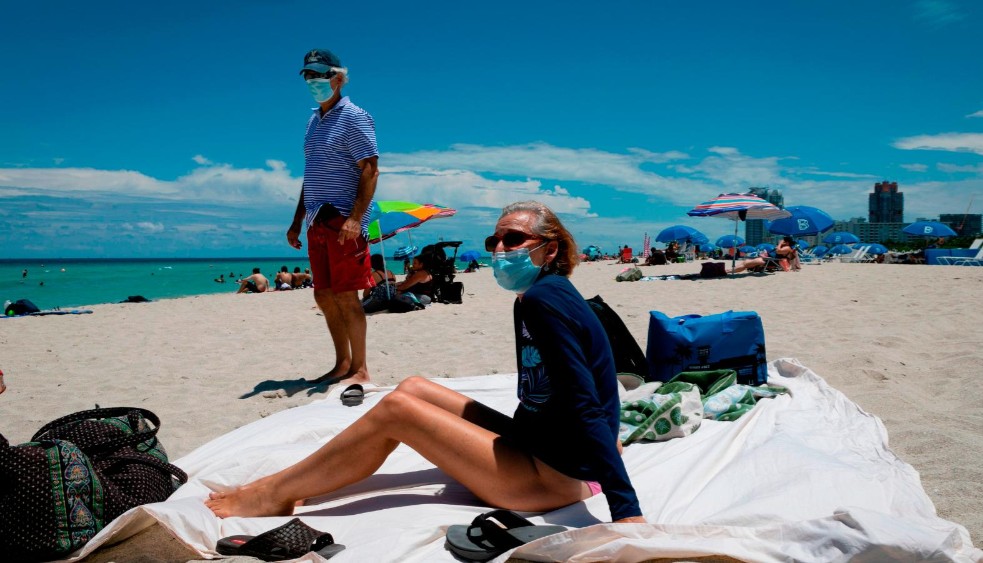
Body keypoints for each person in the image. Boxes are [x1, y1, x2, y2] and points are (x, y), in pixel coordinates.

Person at [205, 201, 645, 524]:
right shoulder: (538, 296)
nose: (499, 249)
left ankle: (274, 493)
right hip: (543, 448)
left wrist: (625, 509)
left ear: (550, 250)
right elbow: (569, 392)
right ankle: (287, 483)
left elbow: (584, 399)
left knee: (397, 411)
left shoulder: (543, 303)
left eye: (515, 239)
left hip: (553, 478)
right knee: (413, 387)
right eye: (495, 240)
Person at [286, 48, 379, 386]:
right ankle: (342, 364)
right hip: (316, 222)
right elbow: (311, 176)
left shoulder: (354, 116)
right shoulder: (313, 121)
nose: (313, 81)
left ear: (338, 78)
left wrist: (356, 218)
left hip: (342, 221)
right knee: (323, 295)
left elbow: (370, 169)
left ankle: (361, 369)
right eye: (308, 75)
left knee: (346, 296)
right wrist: (297, 220)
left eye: (320, 75)